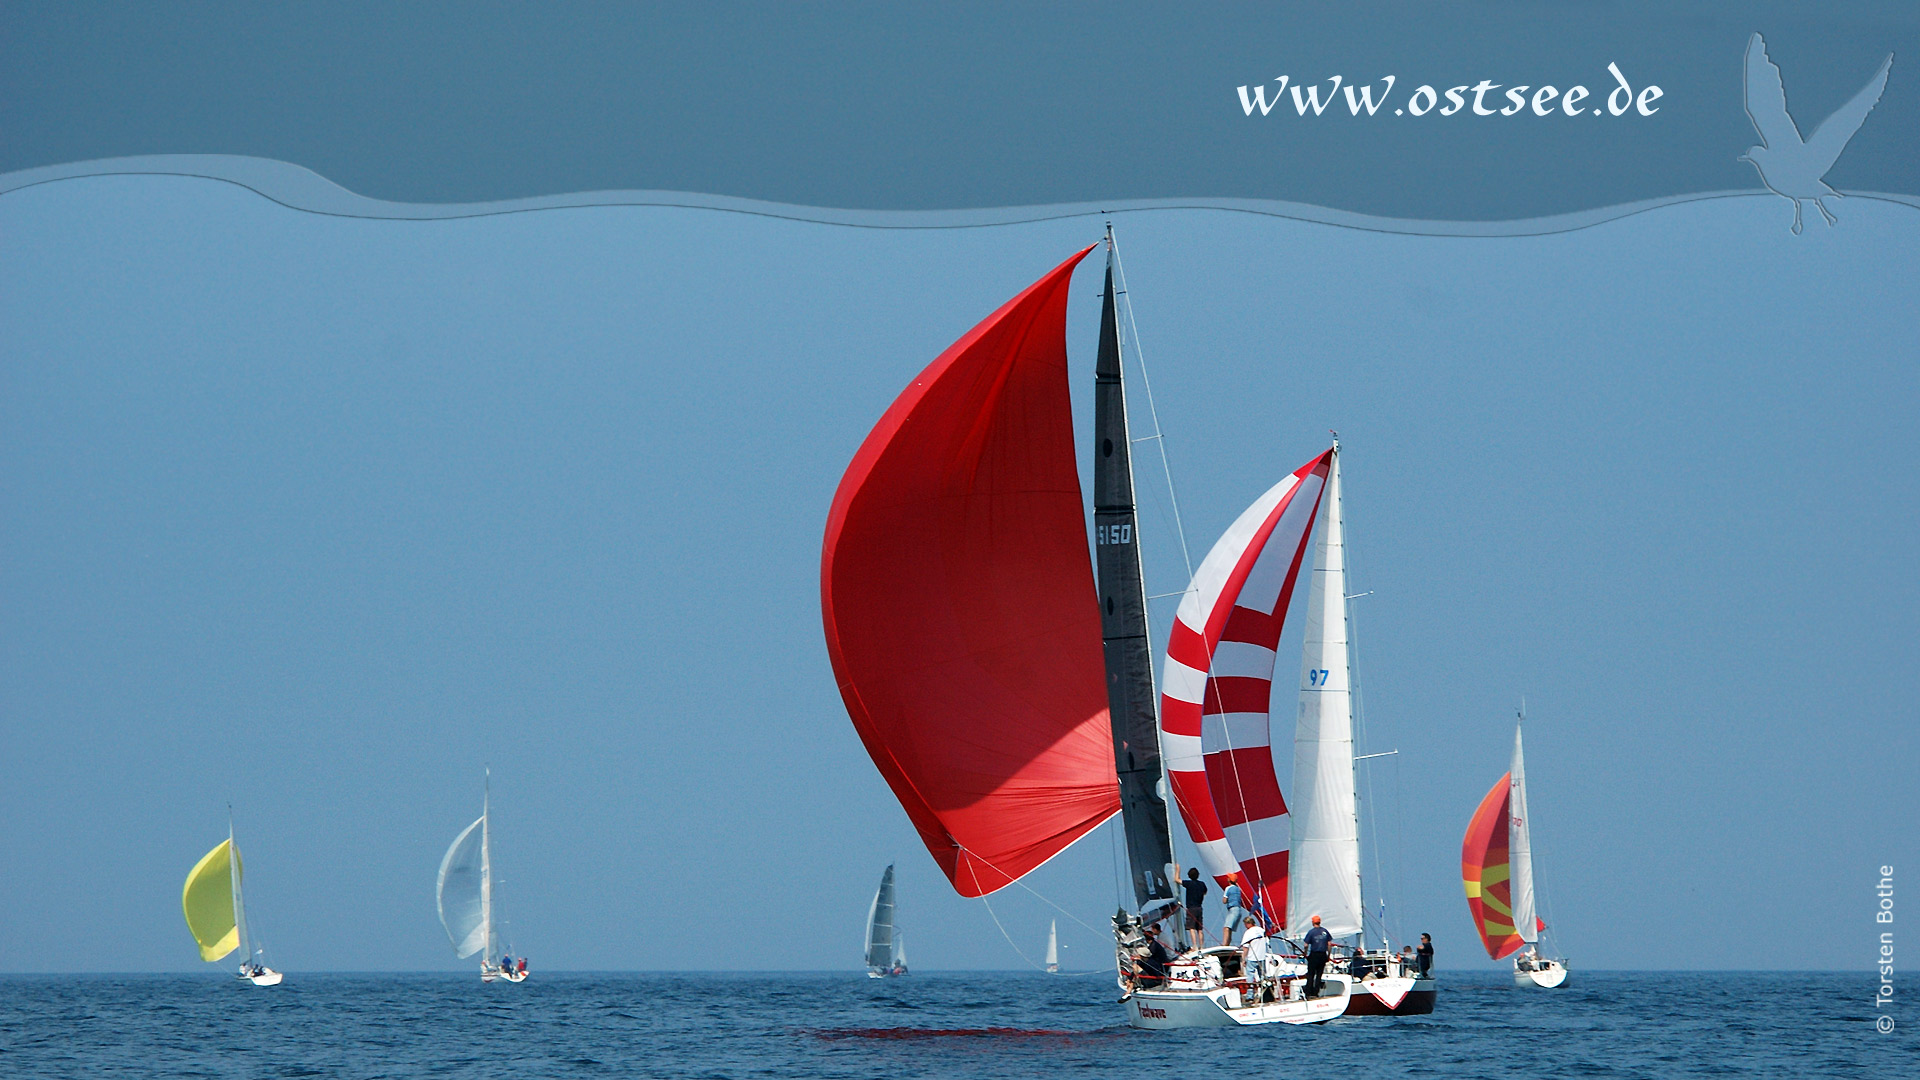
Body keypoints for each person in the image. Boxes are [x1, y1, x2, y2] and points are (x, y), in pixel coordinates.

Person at [1238, 916, 1273, 998]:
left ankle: (1250, 996)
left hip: (1252, 958)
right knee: (1263, 976)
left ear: (1248, 924)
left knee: (1250, 976)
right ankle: (1265, 994)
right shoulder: (1261, 930)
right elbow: (1267, 942)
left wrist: (1243, 959)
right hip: (1262, 957)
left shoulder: (1248, 932)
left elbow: (1245, 947)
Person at [1302, 915, 1332, 997]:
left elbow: (1305, 945)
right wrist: (1328, 955)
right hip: (1323, 955)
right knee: (1319, 974)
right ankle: (1316, 992)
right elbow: (1329, 944)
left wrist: (1305, 954)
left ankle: (1309, 992)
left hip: (1314, 954)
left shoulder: (1311, 932)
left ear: (1313, 922)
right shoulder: (1325, 931)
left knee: (1311, 974)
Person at [1180, 868, 1208, 951]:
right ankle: (1202, 946)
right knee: (1200, 929)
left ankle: (1195, 946)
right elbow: (1205, 892)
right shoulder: (1202, 884)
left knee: (1191, 928)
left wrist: (1177, 870)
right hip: (1199, 907)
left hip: (1191, 908)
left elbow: (1177, 880)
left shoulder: (1189, 884)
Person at [1219, 878, 1247, 947]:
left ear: (1229, 880)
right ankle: (1227, 944)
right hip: (1238, 910)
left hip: (1232, 909)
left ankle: (1225, 944)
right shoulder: (1238, 889)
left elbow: (1224, 901)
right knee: (1230, 929)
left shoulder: (1228, 888)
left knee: (1226, 928)